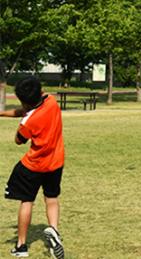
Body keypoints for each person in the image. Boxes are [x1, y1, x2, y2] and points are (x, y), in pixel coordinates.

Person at [0, 77, 65, 258]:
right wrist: (2, 113)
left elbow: (18, 140)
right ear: (41, 91)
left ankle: (21, 246)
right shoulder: (51, 101)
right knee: (51, 198)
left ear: (22, 100)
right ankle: (54, 231)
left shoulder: (27, 123)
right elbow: (27, 110)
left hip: (33, 166)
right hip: (56, 162)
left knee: (27, 201)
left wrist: (22, 122)